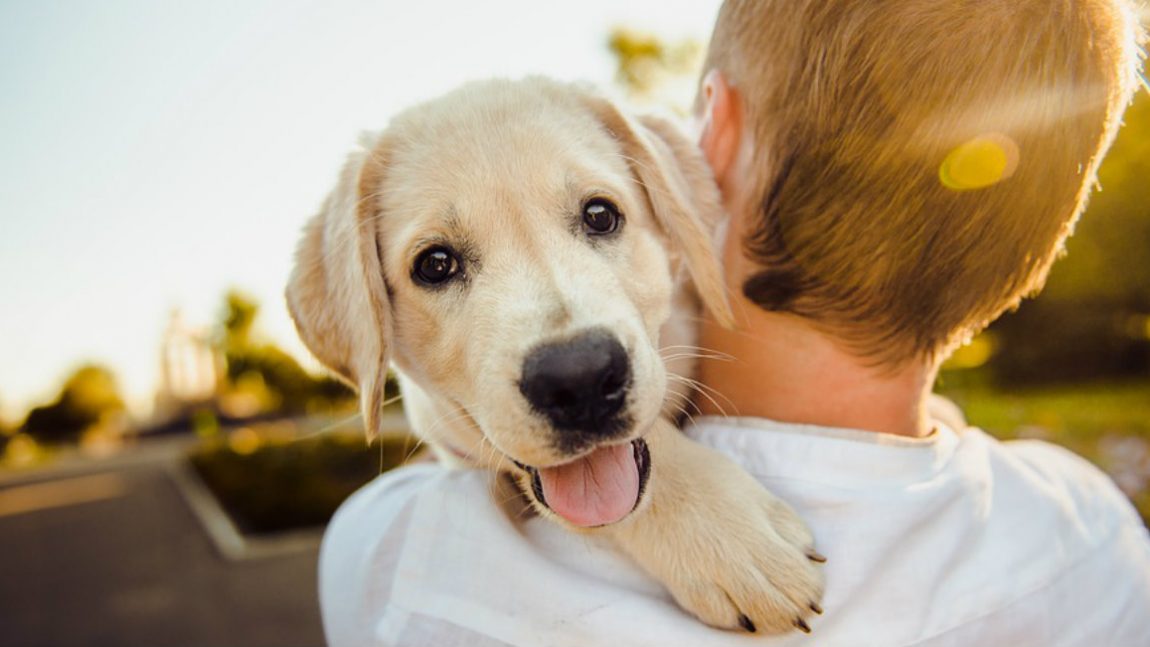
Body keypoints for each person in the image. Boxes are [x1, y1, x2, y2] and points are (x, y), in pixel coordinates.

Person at [319, 1, 1150, 645]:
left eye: (599, 217)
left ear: (704, 146)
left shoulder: (396, 560)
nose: (567, 346)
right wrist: (660, 487)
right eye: (439, 266)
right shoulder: (1096, 536)